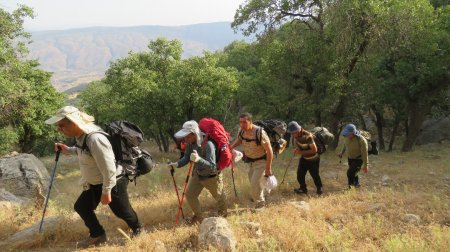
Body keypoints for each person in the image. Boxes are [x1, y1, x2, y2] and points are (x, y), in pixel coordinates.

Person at [45, 106, 143, 248]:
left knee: (122, 211)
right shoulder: (81, 136)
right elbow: (85, 151)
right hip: (95, 182)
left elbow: (109, 168)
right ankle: (98, 235)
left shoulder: (95, 139)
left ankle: (139, 231)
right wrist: (68, 150)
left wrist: (106, 191)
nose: (59, 129)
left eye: (61, 125)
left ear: (74, 122)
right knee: (82, 207)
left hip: (113, 181)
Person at [167, 120, 227, 223]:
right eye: (184, 136)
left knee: (219, 197)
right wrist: (177, 164)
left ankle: (224, 215)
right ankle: (201, 218)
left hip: (212, 177)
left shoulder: (208, 144)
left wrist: (199, 160)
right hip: (198, 175)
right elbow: (186, 157)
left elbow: (212, 166)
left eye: (188, 136)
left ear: (194, 133)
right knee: (190, 195)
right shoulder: (190, 143)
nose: (185, 139)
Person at [230, 113, 273, 209]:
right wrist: (231, 147)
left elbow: (270, 151)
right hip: (251, 162)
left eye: (244, 122)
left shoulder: (259, 133)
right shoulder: (241, 131)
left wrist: (268, 168)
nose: (242, 124)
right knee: (255, 183)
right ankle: (263, 195)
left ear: (250, 122)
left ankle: (260, 204)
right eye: (240, 122)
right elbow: (240, 140)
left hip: (261, 162)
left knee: (254, 184)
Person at [287, 121, 323, 195]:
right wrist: (297, 149)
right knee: (300, 174)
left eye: (295, 132)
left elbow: (314, 150)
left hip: (313, 158)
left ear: (299, 129)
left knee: (315, 174)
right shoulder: (295, 136)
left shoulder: (308, 136)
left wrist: (300, 152)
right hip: (304, 157)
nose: (294, 134)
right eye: (292, 133)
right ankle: (303, 189)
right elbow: (298, 144)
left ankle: (319, 189)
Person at [338, 124, 369, 189]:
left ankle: (350, 187)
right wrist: (342, 152)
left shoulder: (362, 140)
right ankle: (357, 183)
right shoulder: (346, 137)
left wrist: (366, 166)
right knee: (354, 172)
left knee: (349, 173)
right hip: (350, 158)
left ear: (353, 133)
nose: (347, 135)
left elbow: (365, 154)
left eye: (348, 134)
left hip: (358, 159)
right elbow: (345, 145)